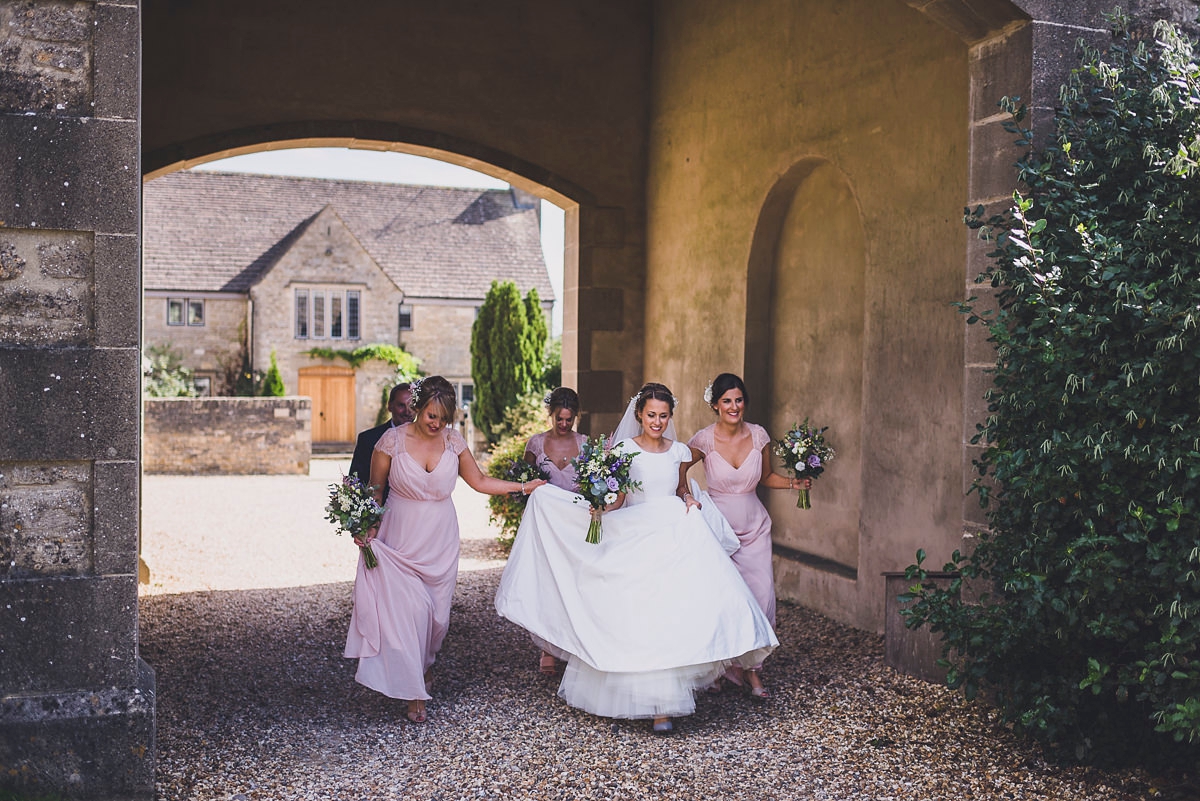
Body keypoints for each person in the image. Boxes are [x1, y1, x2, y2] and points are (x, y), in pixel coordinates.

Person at [495, 382, 777, 733]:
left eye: (663, 416)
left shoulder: (678, 452)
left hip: (673, 532)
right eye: (651, 416)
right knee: (639, 613)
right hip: (636, 533)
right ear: (640, 415)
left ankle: (666, 704)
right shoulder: (625, 449)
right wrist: (597, 507)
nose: (657, 422)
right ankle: (649, 700)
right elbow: (618, 497)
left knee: (672, 611)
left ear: (669, 416)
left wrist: (689, 500)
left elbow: (678, 488)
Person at [344, 376, 546, 724]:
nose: (435, 423)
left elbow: (479, 481)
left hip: (440, 540)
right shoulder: (390, 441)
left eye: (442, 417)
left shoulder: (453, 441)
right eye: (430, 415)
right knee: (410, 614)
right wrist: (367, 526)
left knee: (436, 619)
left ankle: (424, 668)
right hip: (399, 536)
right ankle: (414, 694)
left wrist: (525, 486)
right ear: (417, 408)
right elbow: (375, 491)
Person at [683, 372, 809, 700]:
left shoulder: (759, 435)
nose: (734, 406)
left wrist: (795, 483)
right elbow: (677, 468)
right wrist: (687, 496)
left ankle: (753, 671)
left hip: (754, 528)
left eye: (738, 400)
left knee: (761, 597)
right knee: (722, 599)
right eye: (727, 401)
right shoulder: (703, 440)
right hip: (718, 532)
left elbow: (766, 476)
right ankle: (717, 669)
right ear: (715, 404)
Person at [522, 386, 588, 675]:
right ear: (550, 415)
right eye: (559, 419)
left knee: (576, 582)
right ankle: (547, 646)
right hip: (547, 524)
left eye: (569, 420)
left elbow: (593, 482)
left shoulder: (586, 444)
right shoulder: (535, 444)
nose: (563, 425)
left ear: (576, 417)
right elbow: (523, 481)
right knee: (548, 581)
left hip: (576, 523)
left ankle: (575, 643)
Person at [348, 382, 414, 501]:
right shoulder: (368, 439)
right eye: (401, 405)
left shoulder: (426, 440)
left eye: (412, 406)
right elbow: (355, 481)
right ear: (390, 406)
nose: (407, 411)